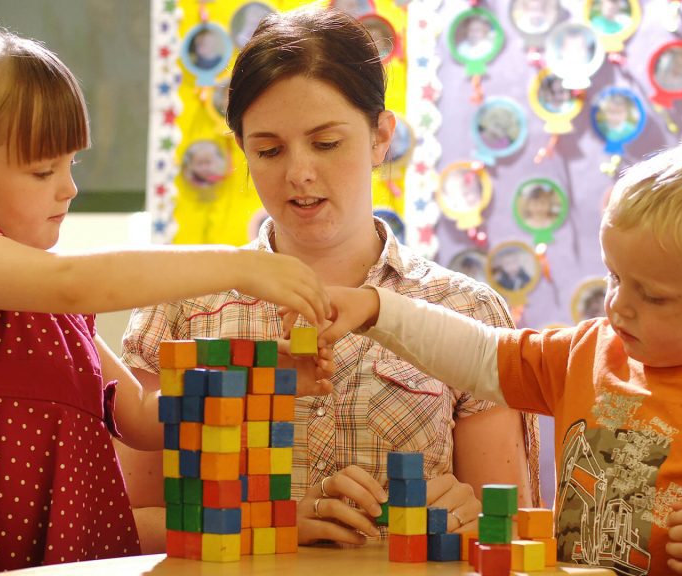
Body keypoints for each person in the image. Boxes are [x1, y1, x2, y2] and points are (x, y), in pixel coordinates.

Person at [0, 5, 329, 573]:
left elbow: (139, 414)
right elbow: (75, 283)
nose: (69, 188)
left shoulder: (61, 310)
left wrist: (265, 378)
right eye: (42, 172)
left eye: (71, 164)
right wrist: (238, 264)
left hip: (79, 548)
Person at [119, 7, 540, 553]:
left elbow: (516, 529)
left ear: (380, 136)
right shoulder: (179, 307)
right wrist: (267, 526)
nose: (298, 173)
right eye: (268, 150)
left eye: (325, 143)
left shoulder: (466, 311)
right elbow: (127, 525)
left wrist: (475, 519)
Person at [315, 140, 682, 575]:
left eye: (653, 295)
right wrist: (377, 308)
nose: (619, 305)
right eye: (615, 277)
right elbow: (479, 352)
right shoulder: (589, 350)